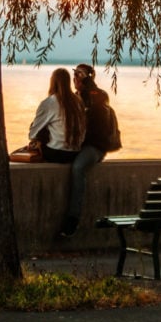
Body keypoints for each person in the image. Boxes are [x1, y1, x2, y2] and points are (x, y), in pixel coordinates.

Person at [59, 63, 112, 237]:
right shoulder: (75, 97)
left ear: (89, 78)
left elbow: (97, 103)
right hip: (77, 145)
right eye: (74, 76)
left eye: (79, 76)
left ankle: (73, 219)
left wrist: (88, 85)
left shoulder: (98, 95)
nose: (75, 79)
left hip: (95, 147)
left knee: (78, 167)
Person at [28, 67, 86, 164]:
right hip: (76, 153)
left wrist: (38, 141)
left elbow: (32, 134)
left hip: (57, 154)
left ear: (52, 82)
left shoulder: (49, 102)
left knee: (37, 127)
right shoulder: (78, 101)